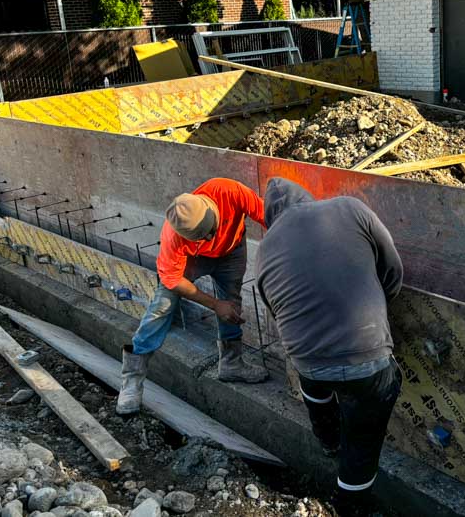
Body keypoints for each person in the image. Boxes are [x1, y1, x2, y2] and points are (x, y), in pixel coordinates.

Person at [255, 177, 403, 512]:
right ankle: (349, 504)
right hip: (367, 362)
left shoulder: (264, 250)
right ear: (307, 197)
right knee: (362, 439)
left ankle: (326, 436)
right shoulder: (349, 207)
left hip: (308, 364)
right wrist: (375, 313)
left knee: (314, 376)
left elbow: (275, 308)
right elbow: (393, 267)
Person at [116, 178, 268, 415]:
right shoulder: (173, 235)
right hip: (194, 261)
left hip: (232, 251)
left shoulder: (229, 191)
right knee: (162, 307)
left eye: (211, 232)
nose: (209, 239)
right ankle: (131, 381)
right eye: (202, 238)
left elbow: (269, 217)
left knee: (232, 302)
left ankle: (231, 363)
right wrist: (215, 304)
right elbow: (172, 280)